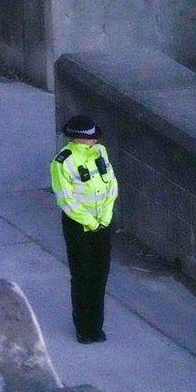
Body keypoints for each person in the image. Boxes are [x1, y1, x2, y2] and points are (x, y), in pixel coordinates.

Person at [51, 115, 119, 344]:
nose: (94, 140)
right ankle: (83, 328)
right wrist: (91, 222)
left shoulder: (101, 152)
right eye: (90, 138)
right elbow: (66, 200)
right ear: (79, 139)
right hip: (78, 225)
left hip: (103, 223)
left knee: (100, 276)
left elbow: (111, 185)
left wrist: (106, 217)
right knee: (82, 276)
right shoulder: (63, 162)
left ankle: (96, 326)